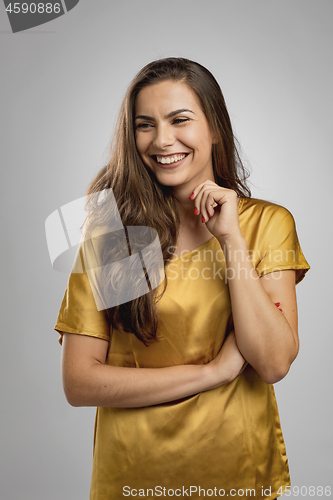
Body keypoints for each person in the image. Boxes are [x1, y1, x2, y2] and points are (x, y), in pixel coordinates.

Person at [54, 58, 310, 500]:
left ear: (214, 127)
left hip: (238, 474)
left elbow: (272, 362)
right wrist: (213, 372)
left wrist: (230, 239)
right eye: (145, 125)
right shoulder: (113, 234)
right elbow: (80, 382)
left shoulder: (267, 224)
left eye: (179, 120)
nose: (162, 140)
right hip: (132, 478)